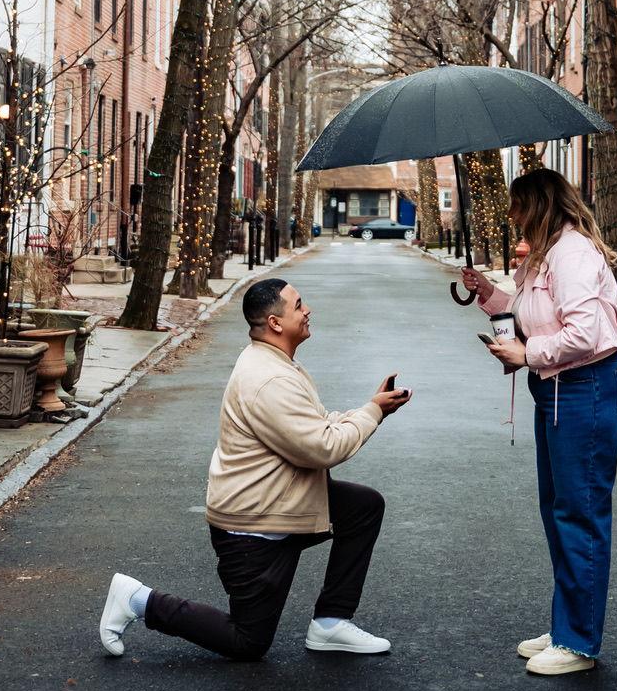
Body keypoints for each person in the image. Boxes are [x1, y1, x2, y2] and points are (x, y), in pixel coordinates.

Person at [99, 276, 411, 661]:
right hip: (253, 525)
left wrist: (367, 407)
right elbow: (323, 446)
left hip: (280, 502)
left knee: (362, 507)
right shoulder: (270, 378)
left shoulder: (275, 362)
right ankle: (137, 599)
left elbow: (313, 425)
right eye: (299, 305)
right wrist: (373, 413)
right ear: (276, 323)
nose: (308, 309)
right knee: (247, 642)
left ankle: (330, 623)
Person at [459, 167, 617, 678]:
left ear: (536, 207)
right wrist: (489, 293)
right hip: (559, 392)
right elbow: (528, 313)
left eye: (516, 207)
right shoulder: (545, 256)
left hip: (590, 391)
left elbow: (585, 334)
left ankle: (579, 642)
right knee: (557, 511)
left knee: (579, 516)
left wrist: (527, 352)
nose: (511, 216)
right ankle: (565, 625)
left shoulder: (574, 254)